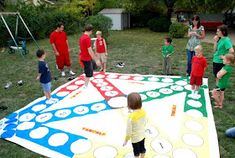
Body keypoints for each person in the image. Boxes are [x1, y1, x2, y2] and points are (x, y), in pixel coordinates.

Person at [123, 92, 147, 158]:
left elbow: (128, 131)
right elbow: (145, 122)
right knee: (142, 149)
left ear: (129, 105)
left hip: (135, 139)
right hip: (142, 135)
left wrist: (126, 140)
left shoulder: (131, 117)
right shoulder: (143, 111)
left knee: (136, 153)